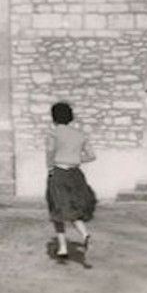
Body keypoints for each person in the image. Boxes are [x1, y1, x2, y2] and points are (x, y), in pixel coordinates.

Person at [45, 101, 97, 264]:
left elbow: (50, 154)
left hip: (59, 173)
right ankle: (82, 235)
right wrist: (75, 158)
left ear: (54, 117)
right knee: (73, 207)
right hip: (76, 174)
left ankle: (64, 246)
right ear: (70, 117)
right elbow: (91, 156)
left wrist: (50, 169)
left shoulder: (53, 133)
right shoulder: (80, 135)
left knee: (57, 208)